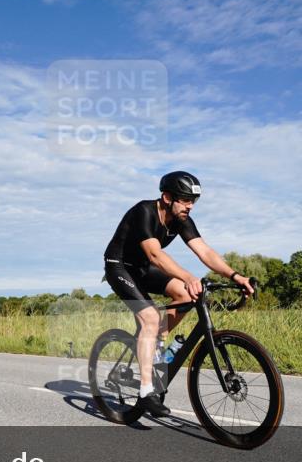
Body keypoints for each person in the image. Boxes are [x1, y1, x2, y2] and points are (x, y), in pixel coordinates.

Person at [103, 171, 254, 417]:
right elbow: (155, 255)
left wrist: (235, 276)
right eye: (185, 200)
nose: (190, 206)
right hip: (119, 266)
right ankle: (145, 393)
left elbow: (205, 252)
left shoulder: (182, 219)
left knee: (186, 295)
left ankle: (156, 344)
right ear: (167, 197)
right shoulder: (144, 212)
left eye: (193, 201)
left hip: (142, 269)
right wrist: (188, 277)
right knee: (151, 317)